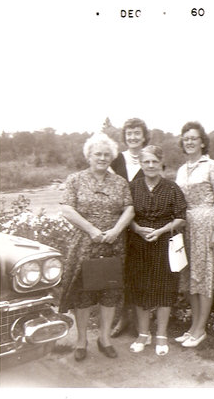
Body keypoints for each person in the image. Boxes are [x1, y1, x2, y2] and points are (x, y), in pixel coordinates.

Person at [59, 133, 135, 361]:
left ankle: (104, 339)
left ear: (111, 157)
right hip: (84, 245)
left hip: (112, 245)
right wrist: (92, 229)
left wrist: (116, 231)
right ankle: (81, 341)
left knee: (109, 294)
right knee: (83, 294)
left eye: (106, 155)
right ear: (89, 156)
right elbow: (66, 209)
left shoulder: (120, 182)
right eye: (97, 154)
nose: (102, 158)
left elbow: (129, 209)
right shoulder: (75, 180)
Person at [175, 121, 214, 347]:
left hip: (207, 226)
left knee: (204, 278)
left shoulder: (212, 166)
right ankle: (193, 326)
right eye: (186, 138)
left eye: (194, 138)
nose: (189, 142)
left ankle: (201, 329)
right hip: (187, 227)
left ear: (202, 142)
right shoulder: (182, 169)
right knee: (190, 278)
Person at [125, 145, 187, 356]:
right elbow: (126, 215)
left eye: (154, 162)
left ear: (161, 163)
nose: (150, 166)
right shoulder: (133, 187)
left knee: (164, 288)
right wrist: (137, 229)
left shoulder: (172, 188)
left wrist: (161, 231)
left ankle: (161, 334)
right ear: (141, 164)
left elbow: (181, 218)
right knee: (140, 287)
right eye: (146, 162)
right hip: (138, 243)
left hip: (164, 244)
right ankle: (143, 334)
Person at [109, 118, 150, 337]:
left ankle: (140, 321)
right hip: (119, 223)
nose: (133, 137)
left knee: (140, 271)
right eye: (129, 133)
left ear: (144, 136)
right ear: (125, 137)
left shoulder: (150, 158)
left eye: (137, 133)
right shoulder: (116, 159)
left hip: (144, 223)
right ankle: (123, 318)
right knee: (121, 272)